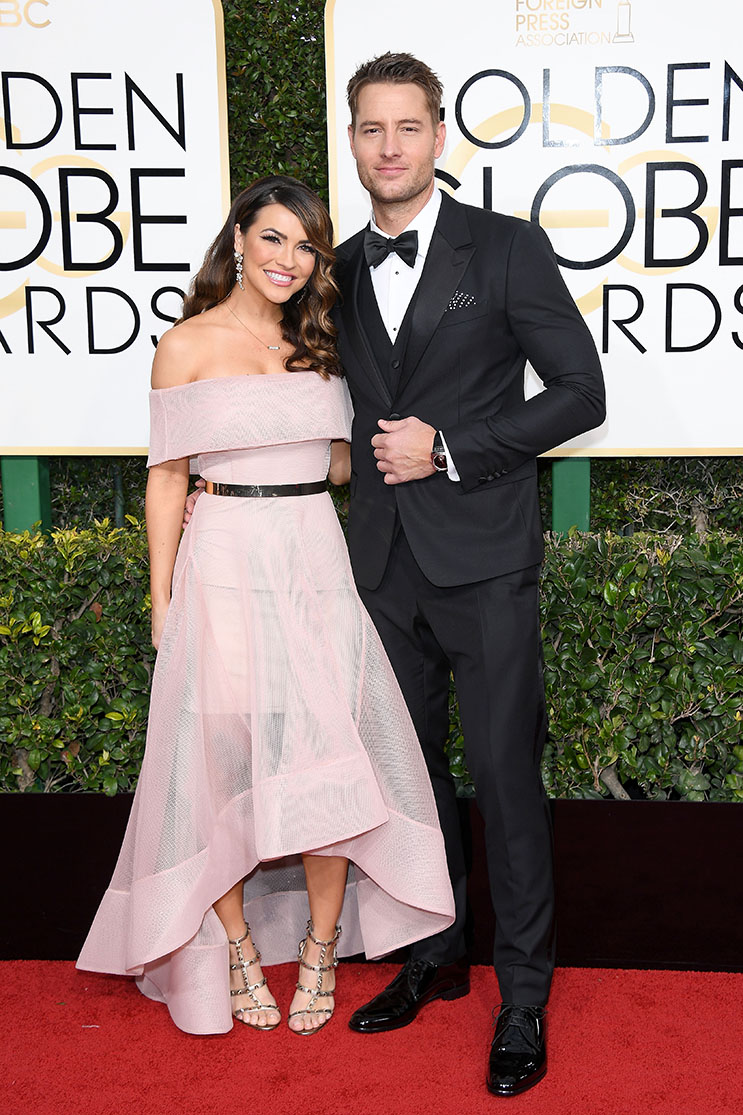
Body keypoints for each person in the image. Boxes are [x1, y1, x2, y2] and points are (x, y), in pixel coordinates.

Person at [76, 175, 455, 1037]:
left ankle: (322, 947)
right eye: (274, 238)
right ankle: (238, 948)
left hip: (312, 559)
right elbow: (166, 479)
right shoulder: (184, 345)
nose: (290, 258)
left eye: (307, 244)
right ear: (239, 237)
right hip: (224, 560)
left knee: (325, 753)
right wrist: (161, 597)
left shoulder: (323, 343)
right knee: (221, 764)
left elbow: (334, 463)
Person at [333, 54, 606, 1096]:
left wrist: (450, 445)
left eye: (407, 127)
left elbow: (579, 392)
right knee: (408, 785)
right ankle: (432, 954)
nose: (389, 146)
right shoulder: (341, 267)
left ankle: (524, 996)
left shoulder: (503, 248)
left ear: (439, 135)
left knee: (501, 781)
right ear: (353, 140)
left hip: (484, 563)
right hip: (382, 567)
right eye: (370, 129)